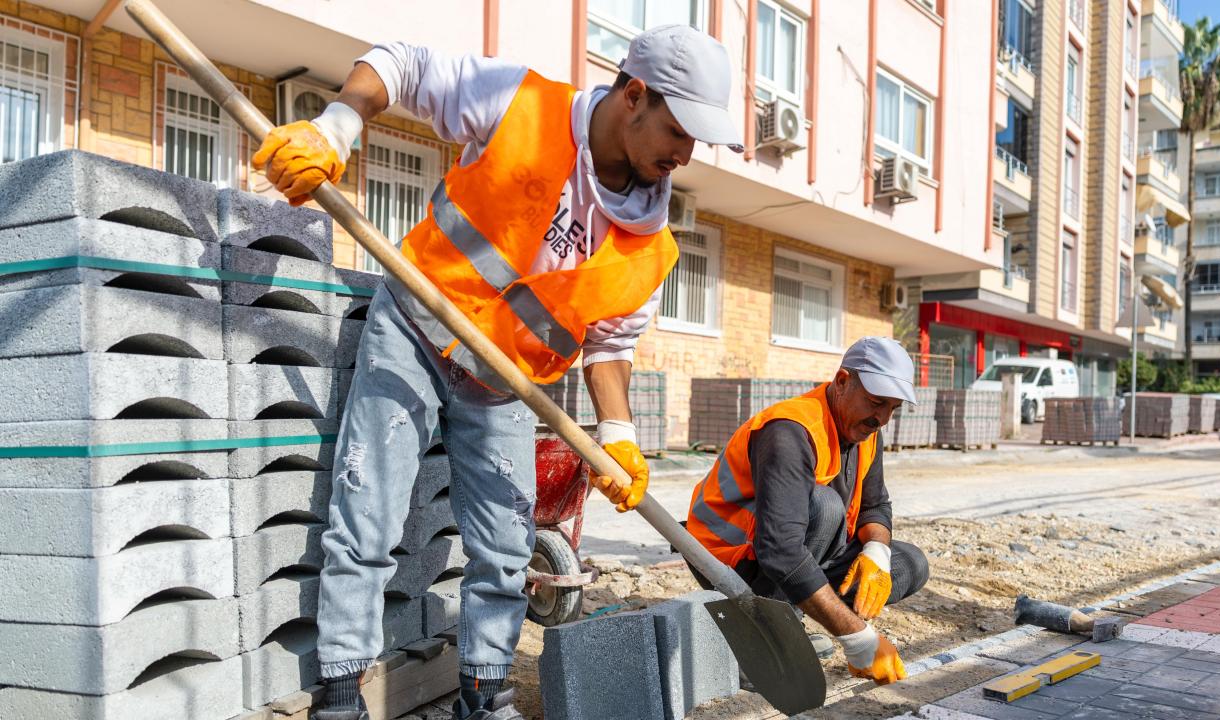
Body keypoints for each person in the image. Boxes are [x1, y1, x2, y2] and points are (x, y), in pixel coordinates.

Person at [251, 24, 742, 720]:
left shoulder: (650, 248)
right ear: (634, 95)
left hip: (506, 380)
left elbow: (610, 346)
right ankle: (339, 694)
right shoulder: (522, 105)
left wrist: (619, 432)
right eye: (679, 130)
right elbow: (401, 63)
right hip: (416, 326)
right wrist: (336, 126)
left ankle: (484, 697)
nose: (685, 154)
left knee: (507, 547)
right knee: (368, 513)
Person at [685, 337, 930, 686]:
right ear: (842, 381)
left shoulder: (866, 431)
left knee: (910, 564)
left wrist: (876, 553)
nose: (883, 418)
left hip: (799, 548)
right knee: (825, 507)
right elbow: (780, 550)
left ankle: (792, 615)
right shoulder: (789, 431)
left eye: (894, 408)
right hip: (731, 559)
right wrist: (858, 637)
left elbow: (875, 506)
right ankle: (760, 641)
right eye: (877, 402)